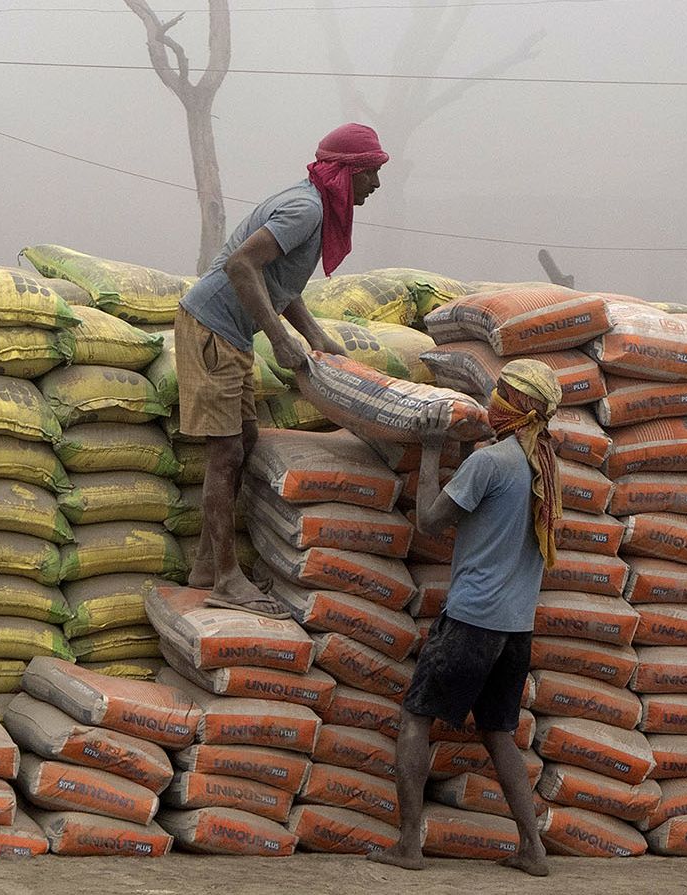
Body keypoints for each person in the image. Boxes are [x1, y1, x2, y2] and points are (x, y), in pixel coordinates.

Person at [177, 122, 389, 619]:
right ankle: (227, 579)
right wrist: (280, 339)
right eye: (372, 173)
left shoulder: (315, 207)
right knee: (225, 452)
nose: (376, 186)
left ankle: (207, 565)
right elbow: (241, 267)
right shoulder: (305, 209)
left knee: (244, 439)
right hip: (212, 327)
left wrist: (314, 335)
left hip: (228, 332)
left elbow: (277, 281)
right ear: (347, 172)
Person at [371, 359, 564, 875]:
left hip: (472, 620)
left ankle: (409, 844)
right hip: (516, 627)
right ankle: (532, 847)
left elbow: (431, 522)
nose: (493, 399)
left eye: (501, 394)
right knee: (498, 732)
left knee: (415, 717)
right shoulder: (543, 463)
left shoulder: (491, 462)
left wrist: (433, 451)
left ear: (516, 408)